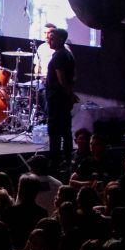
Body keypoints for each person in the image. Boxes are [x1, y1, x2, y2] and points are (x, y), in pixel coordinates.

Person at [44, 28, 76, 173]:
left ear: (61, 40)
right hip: (61, 98)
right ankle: (67, 159)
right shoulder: (67, 54)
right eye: (49, 37)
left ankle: (55, 161)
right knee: (65, 130)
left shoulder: (59, 56)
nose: (49, 40)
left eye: (52, 38)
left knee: (55, 131)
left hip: (57, 99)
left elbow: (62, 79)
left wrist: (69, 95)